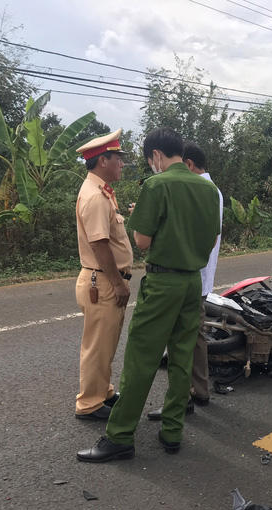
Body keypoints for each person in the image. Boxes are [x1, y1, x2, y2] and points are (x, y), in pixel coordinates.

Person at [77, 127, 220, 462]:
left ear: (156, 155)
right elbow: (212, 239)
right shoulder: (208, 188)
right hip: (191, 283)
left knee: (141, 359)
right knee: (183, 355)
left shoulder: (156, 185)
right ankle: (172, 431)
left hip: (163, 283)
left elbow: (141, 241)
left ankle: (121, 435)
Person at [146, 142, 223, 421]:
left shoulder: (195, 188)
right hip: (199, 277)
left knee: (183, 340)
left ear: (188, 164)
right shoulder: (211, 190)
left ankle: (185, 398)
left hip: (186, 277)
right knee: (194, 337)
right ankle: (197, 390)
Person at [73, 130, 133, 421]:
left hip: (103, 279)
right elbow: (99, 244)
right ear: (102, 161)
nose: (122, 164)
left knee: (105, 342)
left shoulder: (102, 191)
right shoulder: (95, 196)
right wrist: (118, 282)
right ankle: (89, 404)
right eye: (118, 159)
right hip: (104, 281)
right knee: (98, 346)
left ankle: (103, 392)